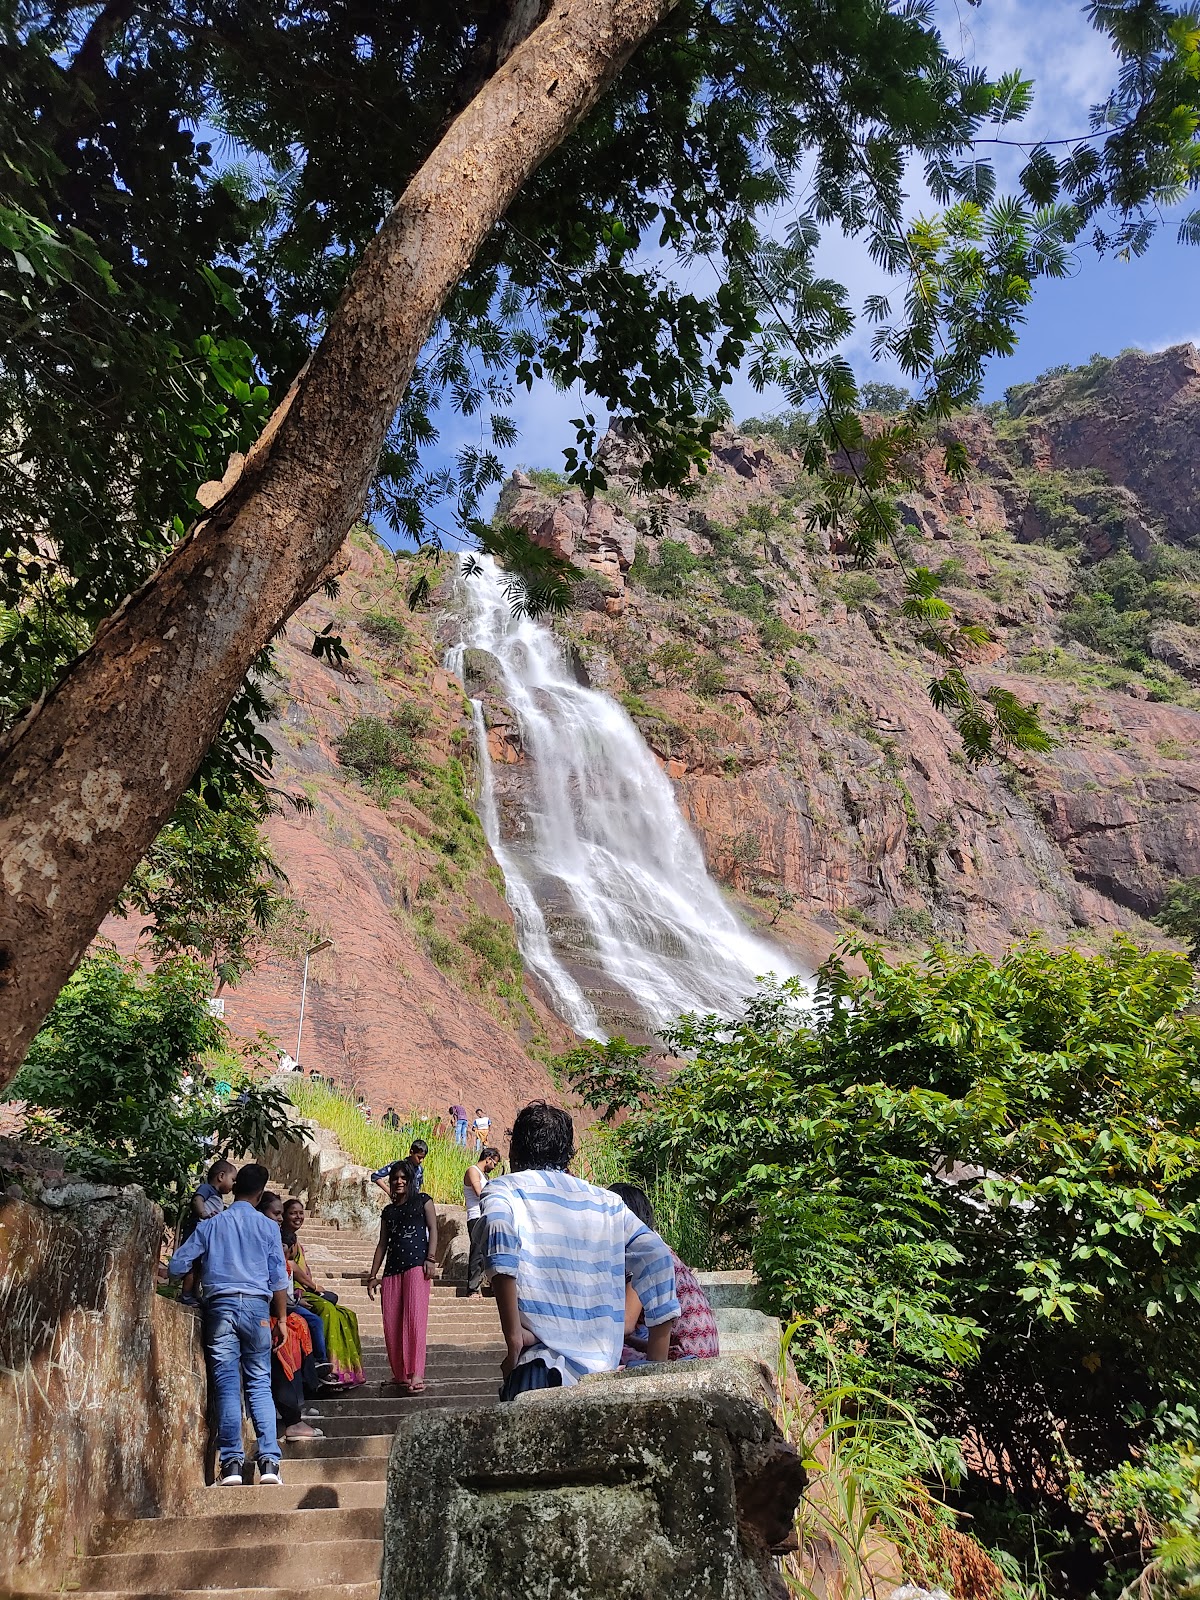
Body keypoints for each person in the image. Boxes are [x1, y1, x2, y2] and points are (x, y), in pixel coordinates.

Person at [482, 1102, 679, 1401]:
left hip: (539, 1369)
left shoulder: (504, 1189)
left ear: (514, 1151)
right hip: (602, 1378)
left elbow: (500, 1240)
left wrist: (513, 1341)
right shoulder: (608, 1202)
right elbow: (658, 1258)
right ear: (566, 1153)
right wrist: (655, 1365)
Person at [167, 1162, 289, 1486]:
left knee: (226, 1385)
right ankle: (269, 1465)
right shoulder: (268, 1228)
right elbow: (279, 1280)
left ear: (234, 1188)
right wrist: (282, 1320)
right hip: (257, 1309)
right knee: (260, 1383)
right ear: (260, 1193)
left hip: (220, 1308)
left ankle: (232, 1465)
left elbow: (176, 1265)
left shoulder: (212, 1225)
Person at [609, 1183, 720, 1363]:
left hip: (686, 1358)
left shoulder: (641, 1254)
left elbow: (625, 1325)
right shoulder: (660, 1248)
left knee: (606, 1355)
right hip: (702, 1352)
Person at [366, 1159, 439, 1395]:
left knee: (415, 1321)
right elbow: (381, 1244)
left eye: (403, 1178)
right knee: (392, 1325)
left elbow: (434, 1230)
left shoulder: (423, 1201)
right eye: (395, 1178)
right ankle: (399, 1374)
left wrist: (431, 1258)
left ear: (410, 1181)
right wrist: (372, 1275)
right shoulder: (388, 1211)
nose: (398, 1182)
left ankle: (416, 1373)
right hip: (391, 1271)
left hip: (416, 1267)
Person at [282, 1198, 365, 1388]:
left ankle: (346, 1371)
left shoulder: (295, 1241)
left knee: (346, 1314)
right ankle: (327, 1365)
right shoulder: (284, 1240)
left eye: (301, 1213)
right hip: (296, 1292)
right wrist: (313, 1286)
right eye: (293, 1213)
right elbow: (291, 1267)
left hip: (304, 1290)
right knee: (326, 1310)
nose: (298, 1217)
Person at [257, 1191, 333, 1382]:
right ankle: (320, 1362)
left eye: (300, 1213)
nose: (283, 1218)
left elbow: (296, 1274)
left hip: (289, 1299)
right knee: (316, 1318)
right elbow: (280, 1282)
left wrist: (314, 1288)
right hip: (277, 1304)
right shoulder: (271, 1243)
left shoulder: (290, 1250)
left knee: (335, 1307)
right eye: (289, 1213)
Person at [463, 1146, 502, 1297]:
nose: (494, 1167)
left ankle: (487, 1285)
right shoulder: (473, 1170)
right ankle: (472, 1288)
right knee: (477, 1251)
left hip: (486, 1215)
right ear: (488, 1159)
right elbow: (479, 1193)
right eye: (494, 1163)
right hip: (476, 1216)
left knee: (488, 1253)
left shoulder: (485, 1176)